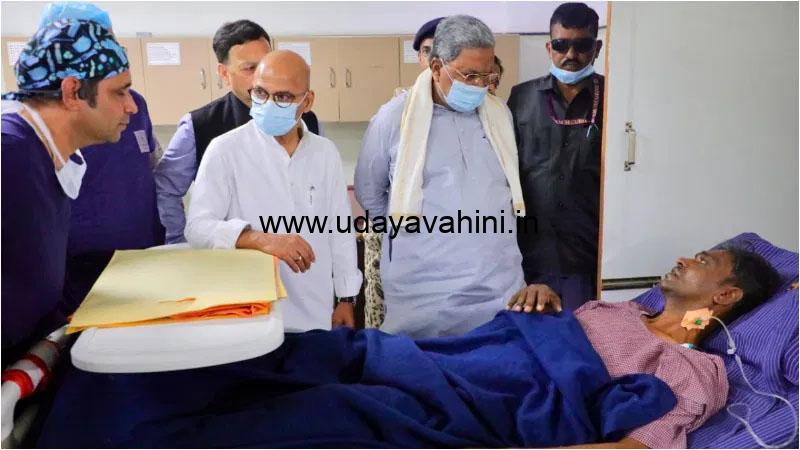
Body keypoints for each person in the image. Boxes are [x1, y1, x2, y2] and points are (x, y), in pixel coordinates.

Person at [508, 245, 783, 448]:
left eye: (702, 261)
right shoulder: (613, 309)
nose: (681, 259)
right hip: (499, 361)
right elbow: (548, 343)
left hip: (512, 410)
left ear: (726, 294)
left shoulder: (694, 371)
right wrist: (541, 305)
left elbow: (634, 448)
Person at [355, 15, 525, 338]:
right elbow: (370, 193)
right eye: (469, 75)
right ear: (436, 67)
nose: (479, 85)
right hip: (423, 297)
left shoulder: (499, 115)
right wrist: (415, 241)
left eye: (486, 75)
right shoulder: (394, 118)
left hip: (498, 291)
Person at [185, 50, 362, 331]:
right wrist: (260, 239)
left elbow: (339, 231)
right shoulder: (225, 150)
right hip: (251, 313)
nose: (268, 104)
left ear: (307, 101)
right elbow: (197, 228)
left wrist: (346, 297)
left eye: (282, 97)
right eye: (260, 93)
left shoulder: (324, 152)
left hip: (314, 308)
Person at [1, 19, 137, 361]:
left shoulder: (47, 157)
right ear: (73, 91)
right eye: (119, 92)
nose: (132, 107)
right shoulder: (10, 156)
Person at [34, 2, 165, 310]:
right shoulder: (38, 119)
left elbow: (152, 162)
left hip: (146, 254)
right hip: (77, 270)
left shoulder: (134, 104)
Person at [154, 20, 322, 244]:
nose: (263, 75)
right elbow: (166, 189)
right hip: (233, 257)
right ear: (224, 74)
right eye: (250, 68)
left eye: (266, 63)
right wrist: (179, 243)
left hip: (301, 251)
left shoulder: (305, 119)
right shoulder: (199, 126)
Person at [507, 2, 605, 311]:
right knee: (532, 333)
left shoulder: (613, 99)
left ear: (597, 48)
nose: (571, 55)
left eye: (582, 45)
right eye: (561, 45)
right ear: (549, 48)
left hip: (590, 255)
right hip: (530, 253)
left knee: (586, 331)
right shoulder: (522, 97)